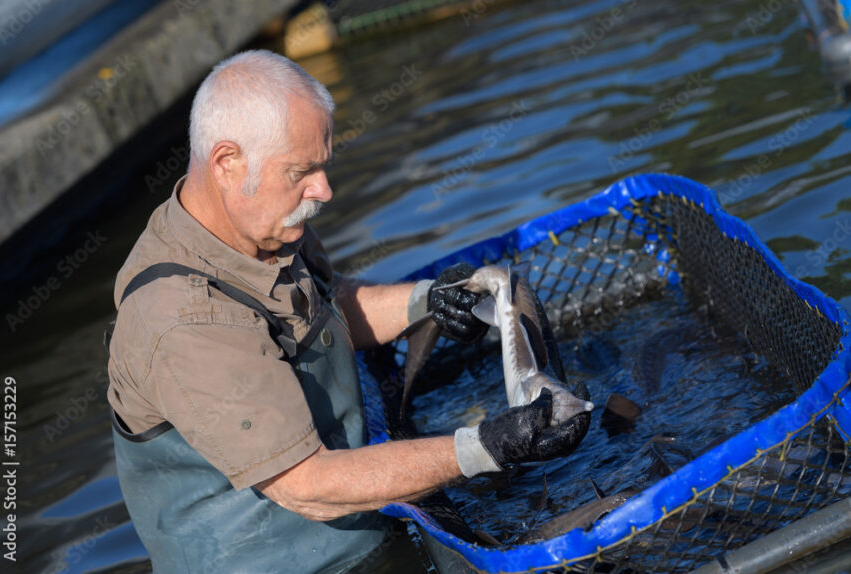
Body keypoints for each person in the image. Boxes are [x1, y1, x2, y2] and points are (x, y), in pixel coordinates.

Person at [106, 50, 566, 574]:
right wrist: (487, 446)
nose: (324, 190)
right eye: (302, 171)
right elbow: (309, 486)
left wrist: (426, 302)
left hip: (367, 525)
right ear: (227, 163)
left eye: (322, 165)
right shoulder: (183, 321)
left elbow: (330, 299)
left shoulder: (264, 220)